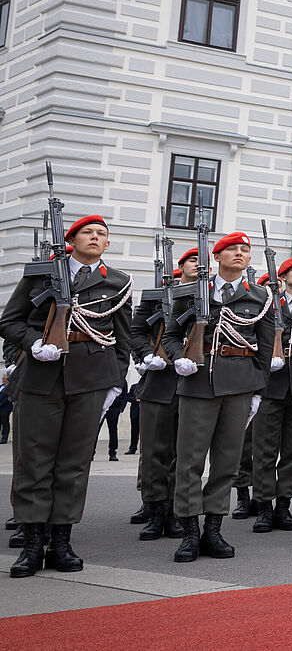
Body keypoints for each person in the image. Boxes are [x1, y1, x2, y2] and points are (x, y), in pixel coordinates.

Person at [1, 214, 134, 578]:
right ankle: (31, 544)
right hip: (41, 376)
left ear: (107, 244)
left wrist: (115, 383)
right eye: (87, 232)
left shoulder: (118, 282)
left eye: (101, 234)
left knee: (74, 463)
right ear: (71, 241)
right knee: (34, 461)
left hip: (90, 378)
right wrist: (34, 343)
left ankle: (61, 542)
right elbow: (9, 321)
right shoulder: (40, 274)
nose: (95, 237)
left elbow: (122, 339)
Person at [162, 231, 274, 563]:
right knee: (189, 461)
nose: (239, 254)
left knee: (226, 461)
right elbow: (170, 336)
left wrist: (258, 389)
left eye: (245, 250)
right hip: (198, 382)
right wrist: (178, 359)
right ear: (217, 256)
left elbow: (265, 349)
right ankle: (190, 532)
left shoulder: (260, 297)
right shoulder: (192, 292)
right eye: (232, 249)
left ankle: (213, 529)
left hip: (239, 385)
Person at [127, 256, 196, 541]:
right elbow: (135, 332)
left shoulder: (211, 298)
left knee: (184, 454)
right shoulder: (155, 298)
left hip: (193, 381)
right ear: (181, 266)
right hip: (158, 380)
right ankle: (155, 511)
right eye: (193, 260)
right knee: (155, 452)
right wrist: (145, 355)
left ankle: (176, 512)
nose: (198, 264)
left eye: (202, 260)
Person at [251, 256, 292, 534]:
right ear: (283, 278)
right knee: (264, 449)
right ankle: (264, 506)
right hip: (271, 385)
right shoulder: (269, 303)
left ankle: (284, 505)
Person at [101, 385, 133, 461]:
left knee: (113, 431)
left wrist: (121, 408)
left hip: (114, 408)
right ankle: (91, 453)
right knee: (96, 430)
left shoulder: (122, 380)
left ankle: (113, 453)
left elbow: (125, 396)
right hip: (102, 407)